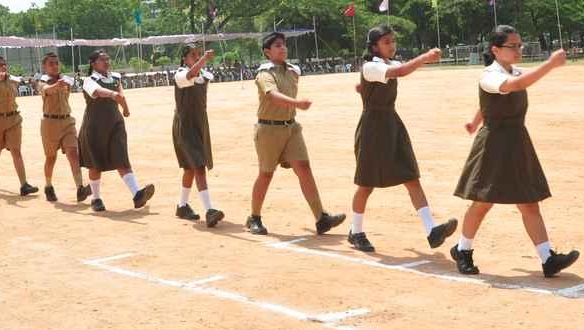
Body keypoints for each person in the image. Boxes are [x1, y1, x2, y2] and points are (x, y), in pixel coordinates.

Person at [452, 25, 580, 278]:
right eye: (512, 46)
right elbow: (514, 85)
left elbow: (497, 95)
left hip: (517, 141)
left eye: (519, 45)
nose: (518, 49)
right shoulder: (490, 75)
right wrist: (550, 64)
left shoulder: (513, 71)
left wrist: (475, 121)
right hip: (494, 144)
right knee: (483, 201)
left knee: (529, 202)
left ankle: (547, 259)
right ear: (495, 50)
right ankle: (463, 250)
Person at [348, 26, 457, 253]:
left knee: (411, 176)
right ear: (374, 47)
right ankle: (355, 231)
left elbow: (396, 70)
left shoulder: (386, 65)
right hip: (372, 128)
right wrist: (425, 57)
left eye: (393, 41)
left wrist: (364, 88)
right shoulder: (371, 66)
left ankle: (431, 230)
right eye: (386, 42)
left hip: (392, 124)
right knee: (366, 184)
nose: (392, 45)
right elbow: (400, 72)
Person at [248, 32, 345, 236]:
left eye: (284, 44)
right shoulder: (264, 74)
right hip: (269, 130)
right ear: (267, 52)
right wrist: (297, 104)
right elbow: (272, 96)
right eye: (277, 45)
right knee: (266, 174)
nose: (283, 48)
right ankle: (254, 217)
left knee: (304, 168)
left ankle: (321, 218)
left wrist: (295, 106)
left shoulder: (293, 71)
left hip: (291, 128)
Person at [78, 50, 155, 212]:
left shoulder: (115, 78)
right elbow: (97, 92)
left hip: (115, 125)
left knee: (122, 159)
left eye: (107, 59)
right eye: (102, 60)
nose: (107, 62)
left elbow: (121, 96)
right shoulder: (89, 80)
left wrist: (125, 109)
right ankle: (96, 198)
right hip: (95, 127)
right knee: (95, 165)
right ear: (93, 64)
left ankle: (137, 195)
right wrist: (112, 95)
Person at [172, 44, 224, 228]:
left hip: (200, 124)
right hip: (186, 126)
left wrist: (202, 62)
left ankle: (182, 206)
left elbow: (197, 75)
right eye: (193, 55)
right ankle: (209, 210)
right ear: (184, 58)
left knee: (190, 168)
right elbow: (190, 75)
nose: (197, 57)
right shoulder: (180, 74)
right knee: (199, 166)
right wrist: (203, 60)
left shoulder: (203, 75)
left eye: (198, 54)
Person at [37, 52, 88, 203]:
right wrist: (57, 85)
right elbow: (47, 90)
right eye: (51, 64)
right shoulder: (42, 81)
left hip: (67, 121)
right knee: (51, 158)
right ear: (44, 67)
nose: (55, 66)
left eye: (56, 63)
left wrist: (62, 83)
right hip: (50, 123)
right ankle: (48, 186)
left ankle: (80, 187)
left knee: (73, 153)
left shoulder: (66, 80)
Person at [0, 55, 39, 196]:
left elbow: (24, 81)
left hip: (13, 118)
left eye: (4, 64)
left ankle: (24, 184)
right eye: (0, 65)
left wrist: (31, 81)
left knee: (16, 151)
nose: (3, 67)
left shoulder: (12, 80)